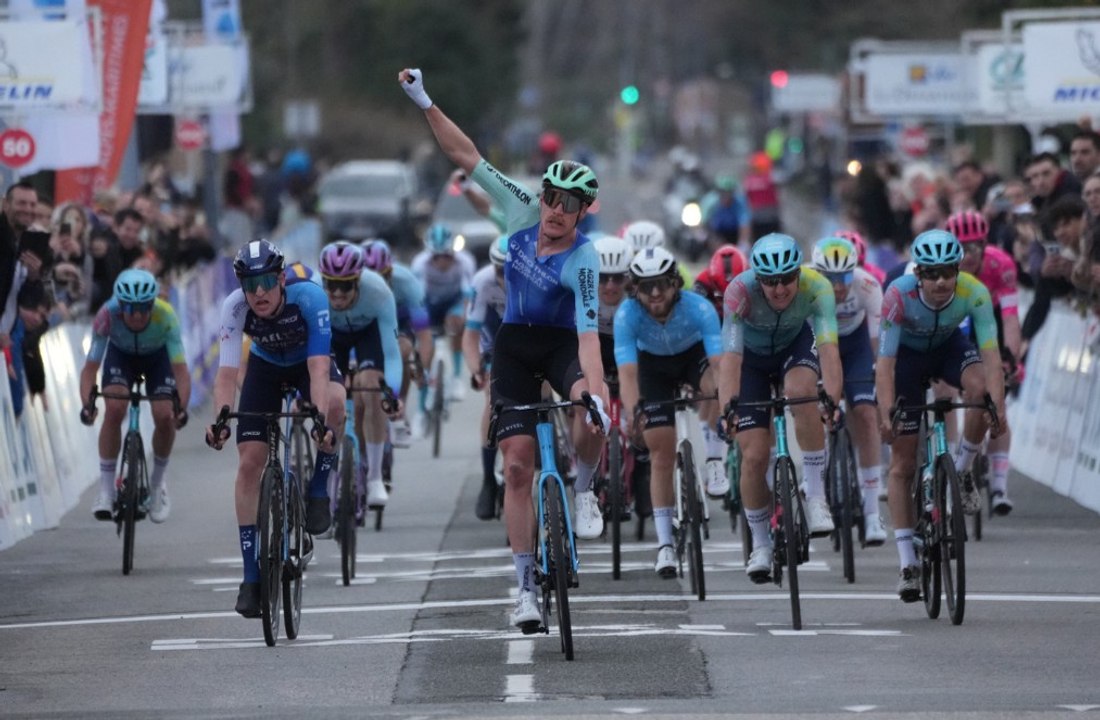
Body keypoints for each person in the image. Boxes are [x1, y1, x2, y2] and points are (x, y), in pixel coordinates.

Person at [399, 67, 609, 631]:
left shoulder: (583, 259)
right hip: (515, 346)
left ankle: (585, 491)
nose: (557, 209)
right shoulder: (518, 208)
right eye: (552, 197)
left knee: (589, 409)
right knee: (517, 467)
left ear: (584, 210)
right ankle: (524, 590)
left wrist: (598, 397)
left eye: (571, 203)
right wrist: (424, 99)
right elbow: (466, 155)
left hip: (564, 345)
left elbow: (589, 339)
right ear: (540, 195)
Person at [204, 239, 345, 618]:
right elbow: (226, 375)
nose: (259, 292)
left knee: (335, 405)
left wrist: (317, 416)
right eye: (250, 284)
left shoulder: (310, 299)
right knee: (250, 462)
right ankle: (251, 578)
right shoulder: (234, 308)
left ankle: (318, 490)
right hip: (266, 368)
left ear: (281, 278)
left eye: (266, 281)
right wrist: (220, 420)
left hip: (306, 363)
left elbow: (318, 369)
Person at [876, 229, 1008, 602]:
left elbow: (992, 357)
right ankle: (907, 564)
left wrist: (997, 406)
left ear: (957, 270)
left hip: (950, 348)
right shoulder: (897, 295)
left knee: (980, 390)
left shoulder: (973, 292)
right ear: (918, 274)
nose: (940, 282)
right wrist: (888, 412)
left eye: (947, 273)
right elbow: (884, 364)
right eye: (931, 274)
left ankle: (963, 468)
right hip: (906, 361)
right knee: (902, 463)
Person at [717, 233, 842, 583]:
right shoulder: (739, 293)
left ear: (798, 275)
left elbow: (830, 350)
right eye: (771, 281)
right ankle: (760, 544)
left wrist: (831, 399)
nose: (780, 289)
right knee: (754, 456)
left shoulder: (817, 288)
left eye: (787, 279)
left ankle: (816, 496)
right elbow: (730, 357)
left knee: (801, 390)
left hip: (795, 347)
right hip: (751, 362)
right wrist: (728, 407)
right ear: (758, 279)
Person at [614, 247, 725, 576]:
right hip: (653, 368)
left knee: (715, 388)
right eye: (646, 287)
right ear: (635, 290)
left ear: (676, 282)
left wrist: (727, 401)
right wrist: (636, 412)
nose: (656, 293)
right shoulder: (627, 316)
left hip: (693, 357)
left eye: (662, 283)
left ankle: (715, 461)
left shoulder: (700, 308)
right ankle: (664, 544)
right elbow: (628, 374)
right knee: (661, 450)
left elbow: (720, 364)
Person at [78, 269, 190, 523]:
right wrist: (87, 404)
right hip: (122, 357)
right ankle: (106, 490)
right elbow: (90, 369)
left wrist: (180, 407)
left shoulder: (166, 316)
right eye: (130, 309)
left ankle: (158, 484)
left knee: (164, 415)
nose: (138, 315)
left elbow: (181, 372)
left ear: (153, 304)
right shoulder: (107, 314)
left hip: (157, 360)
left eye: (144, 308)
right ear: (121, 306)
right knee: (115, 408)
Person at [809, 236, 887, 544]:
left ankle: (871, 512)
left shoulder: (867, 285)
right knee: (812, 408)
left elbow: (878, 343)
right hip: (817, 344)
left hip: (855, 347)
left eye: (844, 277)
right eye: (830, 278)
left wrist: (879, 374)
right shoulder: (803, 286)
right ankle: (816, 474)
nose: (839, 286)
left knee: (866, 414)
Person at [318, 241, 404, 515]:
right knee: (327, 401)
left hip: (367, 336)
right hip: (333, 338)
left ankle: (375, 476)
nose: (338, 293)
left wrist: (392, 392)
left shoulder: (378, 291)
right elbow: (311, 359)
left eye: (345, 286)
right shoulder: (314, 295)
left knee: (371, 385)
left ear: (358, 281)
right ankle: (326, 479)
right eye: (331, 285)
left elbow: (391, 354)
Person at [948, 210, 1021, 515]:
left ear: (986, 244)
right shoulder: (943, 268)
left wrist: (1010, 358)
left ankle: (999, 485)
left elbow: (1011, 319)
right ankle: (951, 454)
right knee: (944, 391)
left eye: (975, 247)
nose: (969, 255)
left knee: (995, 394)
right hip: (955, 325)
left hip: (989, 324)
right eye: (963, 248)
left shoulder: (1001, 265)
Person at [362, 238, 432, 446]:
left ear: (390, 271)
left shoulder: (407, 282)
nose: (377, 284)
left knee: (403, 349)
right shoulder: (355, 286)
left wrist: (424, 369)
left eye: (382, 277)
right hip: (370, 322)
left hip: (400, 324)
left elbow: (424, 333)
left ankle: (398, 411)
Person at [464, 236, 509, 519]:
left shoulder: (534, 277)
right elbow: (470, 336)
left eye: (509, 271)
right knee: (493, 400)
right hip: (493, 337)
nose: (504, 277)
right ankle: (488, 479)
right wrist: (476, 369)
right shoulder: (483, 282)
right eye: (499, 271)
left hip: (525, 333)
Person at [410, 223, 476, 403]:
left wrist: (463, 316)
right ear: (429, 254)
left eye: (446, 255)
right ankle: (422, 409)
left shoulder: (465, 262)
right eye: (436, 256)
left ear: (453, 252)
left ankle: (455, 377)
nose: (442, 261)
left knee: (457, 322)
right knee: (424, 345)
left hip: (453, 302)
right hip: (429, 303)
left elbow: (468, 295)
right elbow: (416, 299)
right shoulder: (420, 264)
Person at [693, 244, 748, 319]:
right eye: (721, 296)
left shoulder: (753, 281)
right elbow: (695, 312)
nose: (727, 303)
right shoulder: (702, 283)